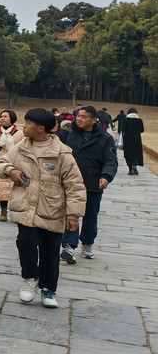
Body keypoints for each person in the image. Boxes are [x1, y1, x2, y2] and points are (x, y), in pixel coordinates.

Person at [0, 108, 86, 309]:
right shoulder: (21, 148)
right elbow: (0, 163)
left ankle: (48, 288)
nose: (24, 127)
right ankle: (29, 278)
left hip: (52, 210)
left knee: (50, 251)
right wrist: (11, 171)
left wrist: (73, 214)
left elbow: (75, 185)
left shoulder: (62, 153)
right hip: (25, 208)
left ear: (40, 128)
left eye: (27, 124)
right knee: (25, 242)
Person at [59, 105, 117, 263]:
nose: (78, 118)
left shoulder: (105, 138)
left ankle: (87, 243)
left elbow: (110, 161)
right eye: (78, 115)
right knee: (71, 213)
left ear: (93, 120)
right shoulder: (68, 133)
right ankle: (69, 246)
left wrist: (106, 176)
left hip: (92, 182)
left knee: (90, 216)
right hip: (70, 182)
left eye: (83, 116)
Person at [0, 110, 23, 222]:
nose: (2, 118)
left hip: (15, 164)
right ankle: (3, 211)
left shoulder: (20, 133)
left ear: (12, 118)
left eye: (5, 116)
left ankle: (16, 212)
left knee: (16, 189)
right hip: (0, 163)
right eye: (1, 116)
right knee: (1, 190)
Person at [120, 108, 145, 176]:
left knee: (128, 154)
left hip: (127, 139)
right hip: (137, 139)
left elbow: (123, 130)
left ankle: (130, 169)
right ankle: (135, 167)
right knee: (136, 153)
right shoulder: (139, 120)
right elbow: (142, 130)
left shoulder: (126, 120)